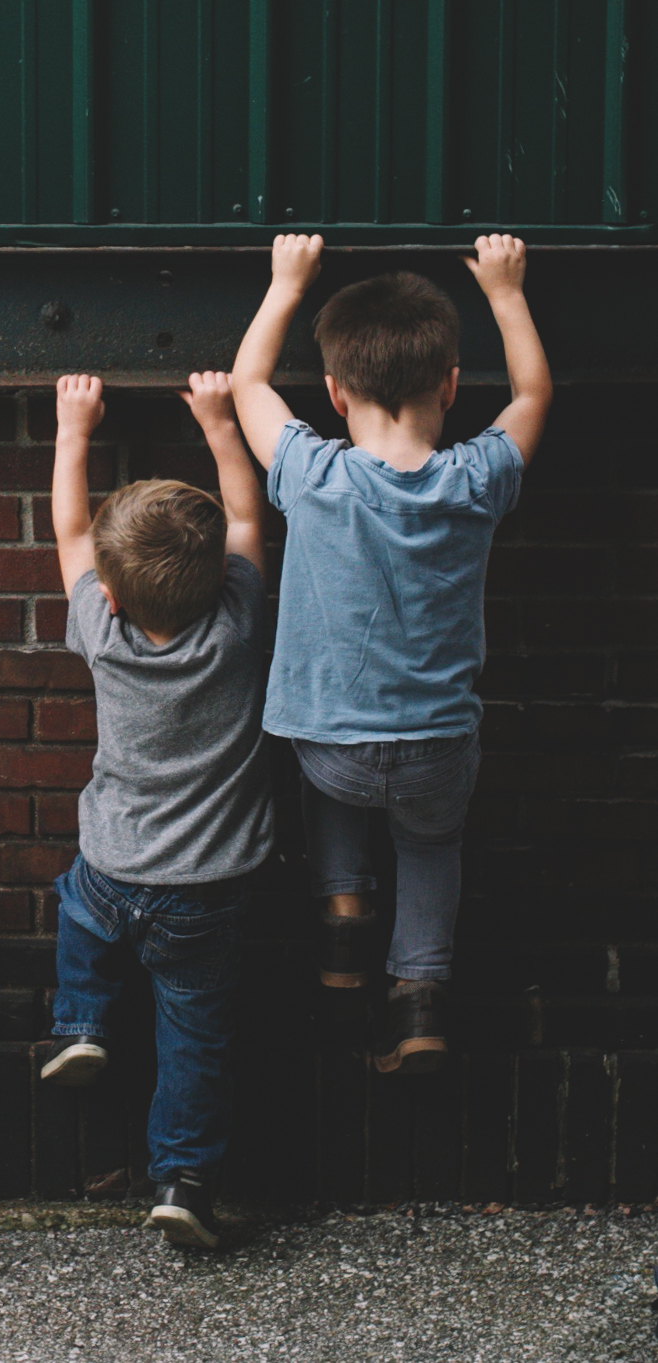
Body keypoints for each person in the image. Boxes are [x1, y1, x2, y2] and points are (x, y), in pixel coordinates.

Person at [231, 233, 552, 1073]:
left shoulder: (311, 474)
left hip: (331, 747)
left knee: (325, 777)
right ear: (451, 385)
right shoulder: (474, 480)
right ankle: (419, 1002)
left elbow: (248, 385)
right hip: (436, 748)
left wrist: (285, 281)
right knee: (430, 848)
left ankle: (342, 927)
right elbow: (531, 393)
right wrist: (506, 291)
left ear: (334, 393)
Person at [44, 370, 271, 1249]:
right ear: (220, 579)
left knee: (75, 904)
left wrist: (74, 429)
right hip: (207, 893)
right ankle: (182, 1178)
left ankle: (83, 1020)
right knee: (195, 1038)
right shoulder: (238, 626)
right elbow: (248, 521)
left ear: (107, 590)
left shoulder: (102, 632)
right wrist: (219, 421)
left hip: (110, 871)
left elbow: (69, 528)